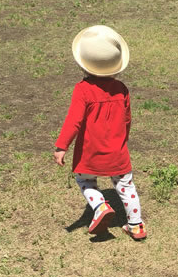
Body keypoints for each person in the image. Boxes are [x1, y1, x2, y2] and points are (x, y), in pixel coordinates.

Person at [53, 25, 146, 240]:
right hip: (118, 151)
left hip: (90, 152)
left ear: (84, 64)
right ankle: (136, 225)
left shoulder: (82, 89)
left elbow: (74, 120)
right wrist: (124, 140)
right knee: (126, 185)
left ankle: (100, 206)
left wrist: (61, 146)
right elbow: (127, 119)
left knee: (84, 180)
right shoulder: (121, 89)